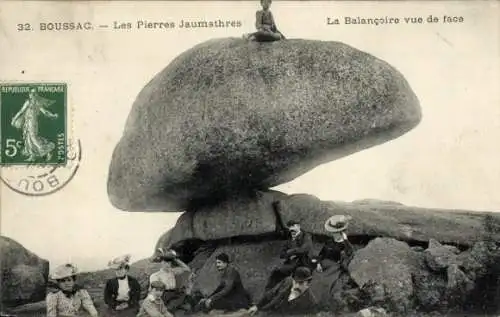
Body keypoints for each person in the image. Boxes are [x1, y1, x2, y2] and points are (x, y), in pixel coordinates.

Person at [264, 220, 314, 291]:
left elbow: (303, 249)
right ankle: (268, 294)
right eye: (289, 227)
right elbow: (282, 254)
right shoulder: (290, 239)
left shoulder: (306, 236)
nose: (291, 229)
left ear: (299, 226)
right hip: (291, 264)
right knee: (276, 273)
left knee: (292, 280)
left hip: (304, 263)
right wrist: (291, 253)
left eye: (293, 226)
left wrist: (291, 252)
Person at [11, 88, 58, 162]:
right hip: (27, 122)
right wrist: (14, 119)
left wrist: (52, 115)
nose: (33, 95)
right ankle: (32, 156)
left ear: (36, 95)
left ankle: (47, 152)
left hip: (33, 123)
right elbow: (21, 111)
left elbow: (45, 112)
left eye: (34, 93)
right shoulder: (28, 102)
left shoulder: (37, 103)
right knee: (27, 138)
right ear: (29, 95)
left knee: (33, 138)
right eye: (31, 93)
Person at [248, 267, 319, 316]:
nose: (296, 286)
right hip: (269, 312)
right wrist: (257, 306)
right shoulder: (287, 281)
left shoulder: (311, 303)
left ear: (308, 284)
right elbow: (271, 294)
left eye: (301, 283)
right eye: (295, 282)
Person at [149, 248, 192, 314]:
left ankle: (169, 308)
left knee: (183, 293)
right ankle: (168, 309)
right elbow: (154, 291)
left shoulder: (173, 271)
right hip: (163, 294)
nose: (167, 265)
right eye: (165, 263)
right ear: (162, 263)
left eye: (169, 263)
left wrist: (175, 259)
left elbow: (187, 269)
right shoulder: (156, 275)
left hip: (174, 293)